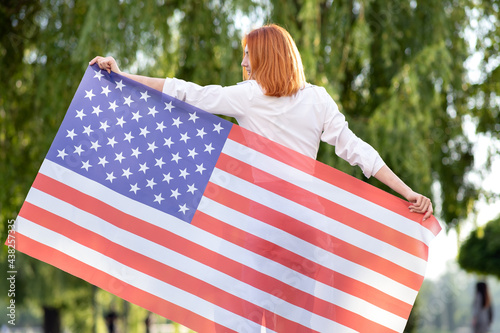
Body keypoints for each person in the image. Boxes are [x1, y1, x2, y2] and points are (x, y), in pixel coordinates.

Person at [90, 24, 433, 221]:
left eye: (247, 56)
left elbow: (185, 92)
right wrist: (407, 192)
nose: (244, 63)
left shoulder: (248, 96)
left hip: (264, 221)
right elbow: (357, 151)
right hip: (308, 221)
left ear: (263, 59)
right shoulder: (318, 99)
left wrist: (122, 77)